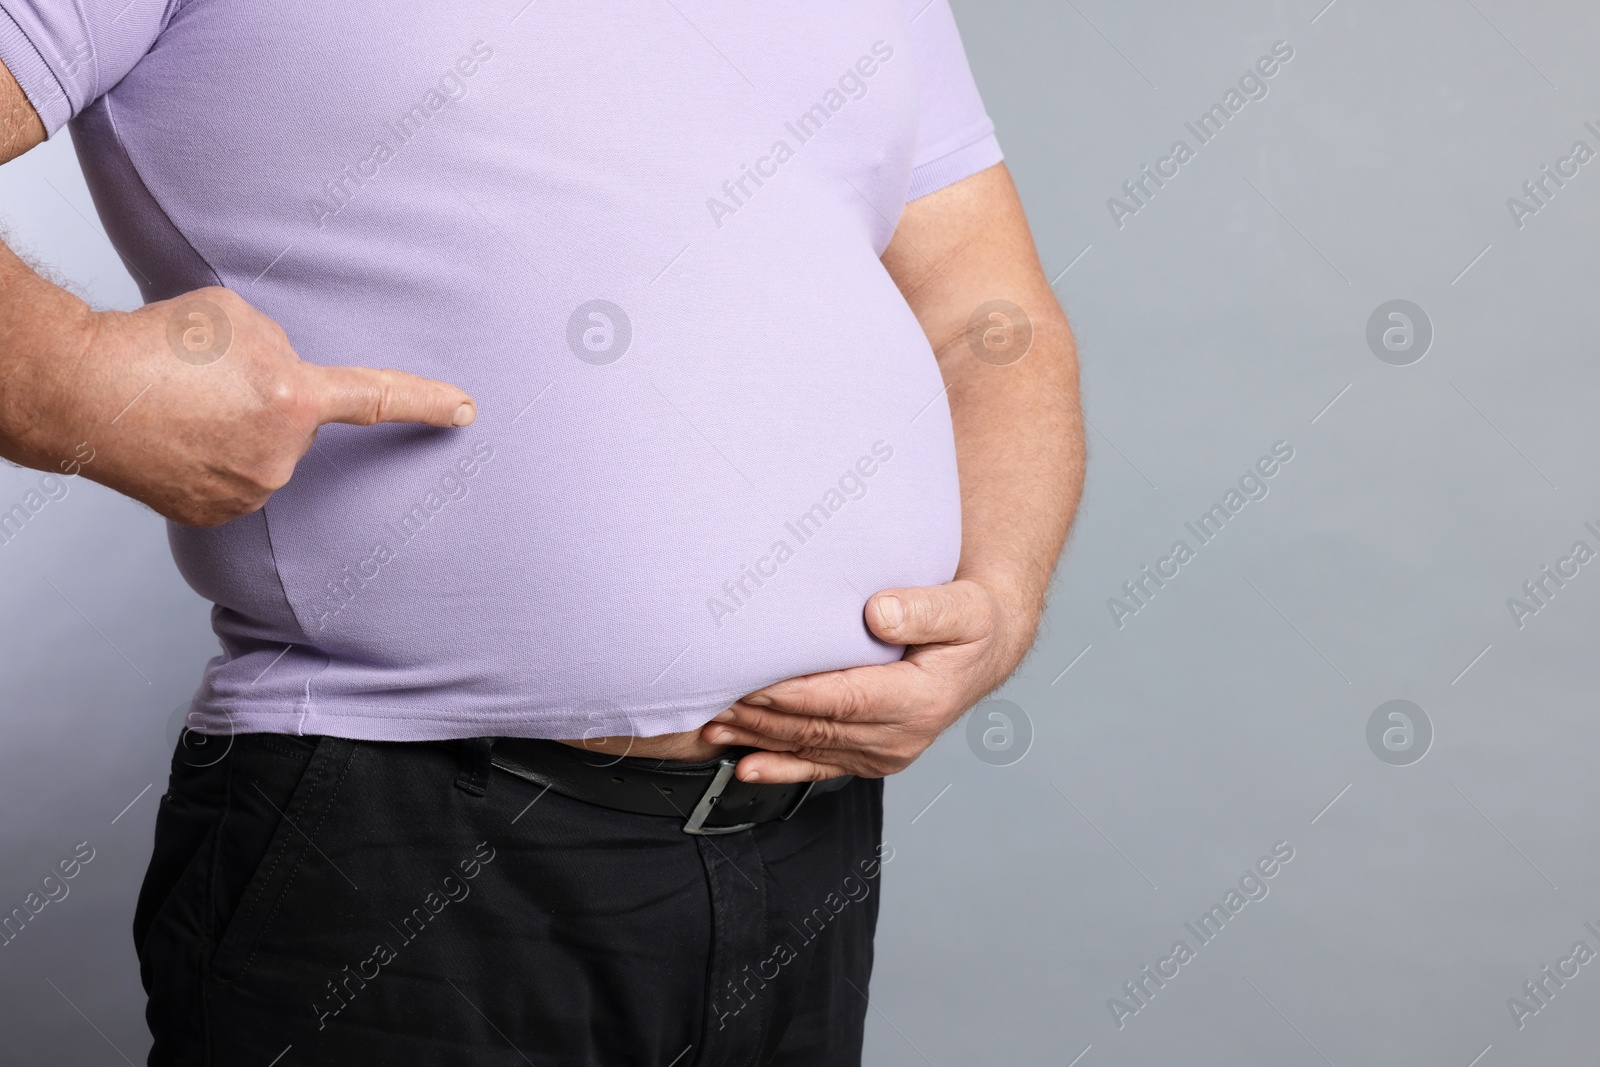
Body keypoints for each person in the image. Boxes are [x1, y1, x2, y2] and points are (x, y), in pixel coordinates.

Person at [0, 0, 1083, 1062]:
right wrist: (85, 380)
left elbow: (984, 309)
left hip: (799, 846)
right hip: (403, 840)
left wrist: (999, 596)